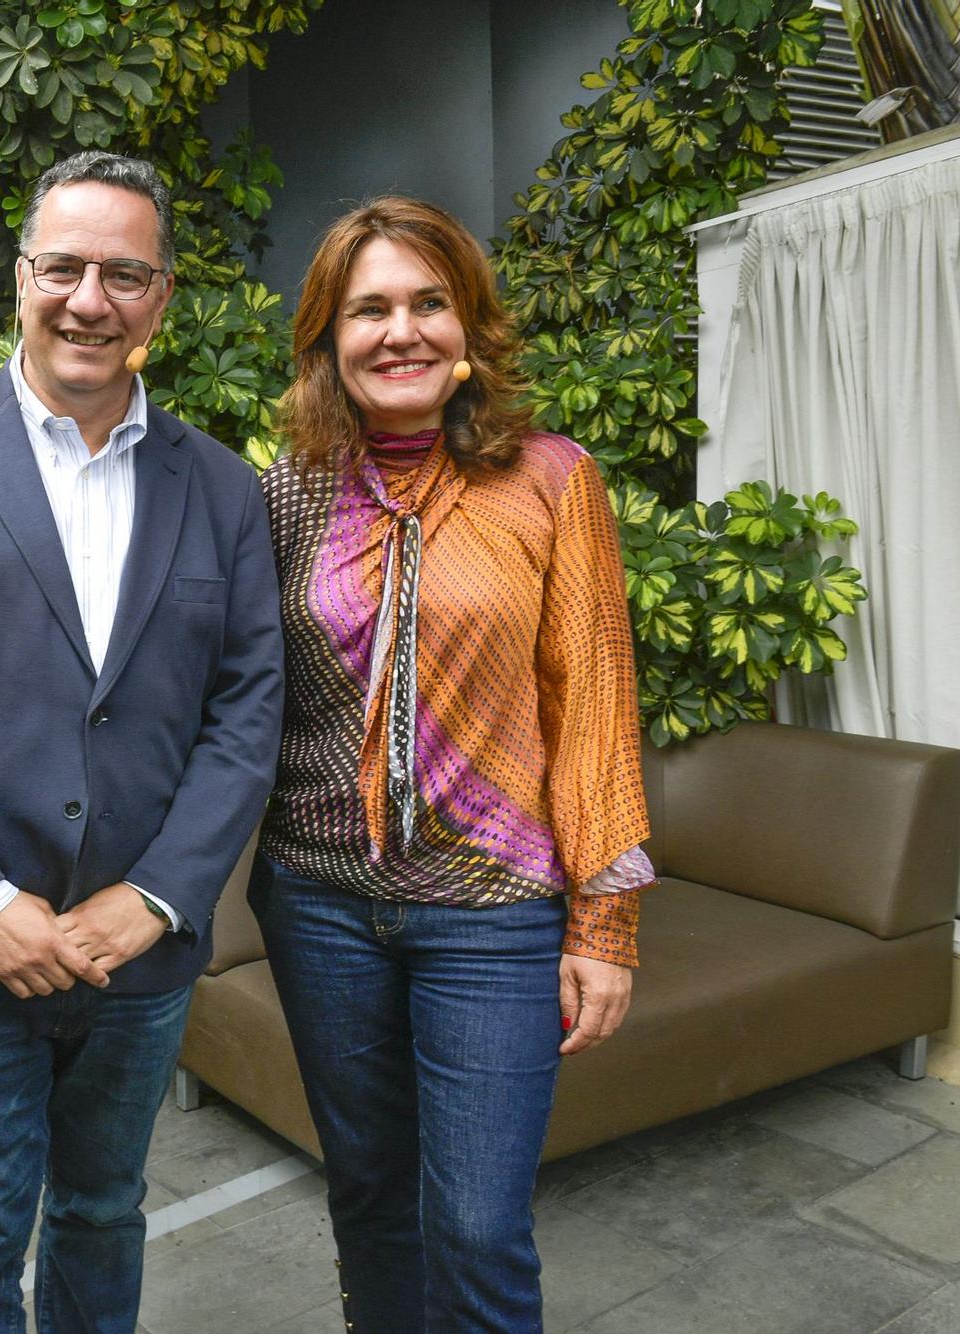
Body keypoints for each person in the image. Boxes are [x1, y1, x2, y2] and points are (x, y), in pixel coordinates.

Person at [0, 151, 284, 1332]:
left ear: (162, 298)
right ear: (17, 277)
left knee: (99, 1217)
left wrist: (162, 896)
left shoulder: (223, 490)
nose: (90, 298)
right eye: (63, 265)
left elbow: (245, 709)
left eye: (124, 273)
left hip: (139, 957)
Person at [253, 198, 655, 1332]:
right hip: (318, 902)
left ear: (468, 325)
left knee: (478, 1223)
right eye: (368, 307)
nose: (400, 331)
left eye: (428, 302)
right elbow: (237, 696)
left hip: (493, 911)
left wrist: (602, 924)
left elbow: (592, 704)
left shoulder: (549, 479)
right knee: (371, 1197)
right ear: (328, 336)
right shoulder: (288, 490)